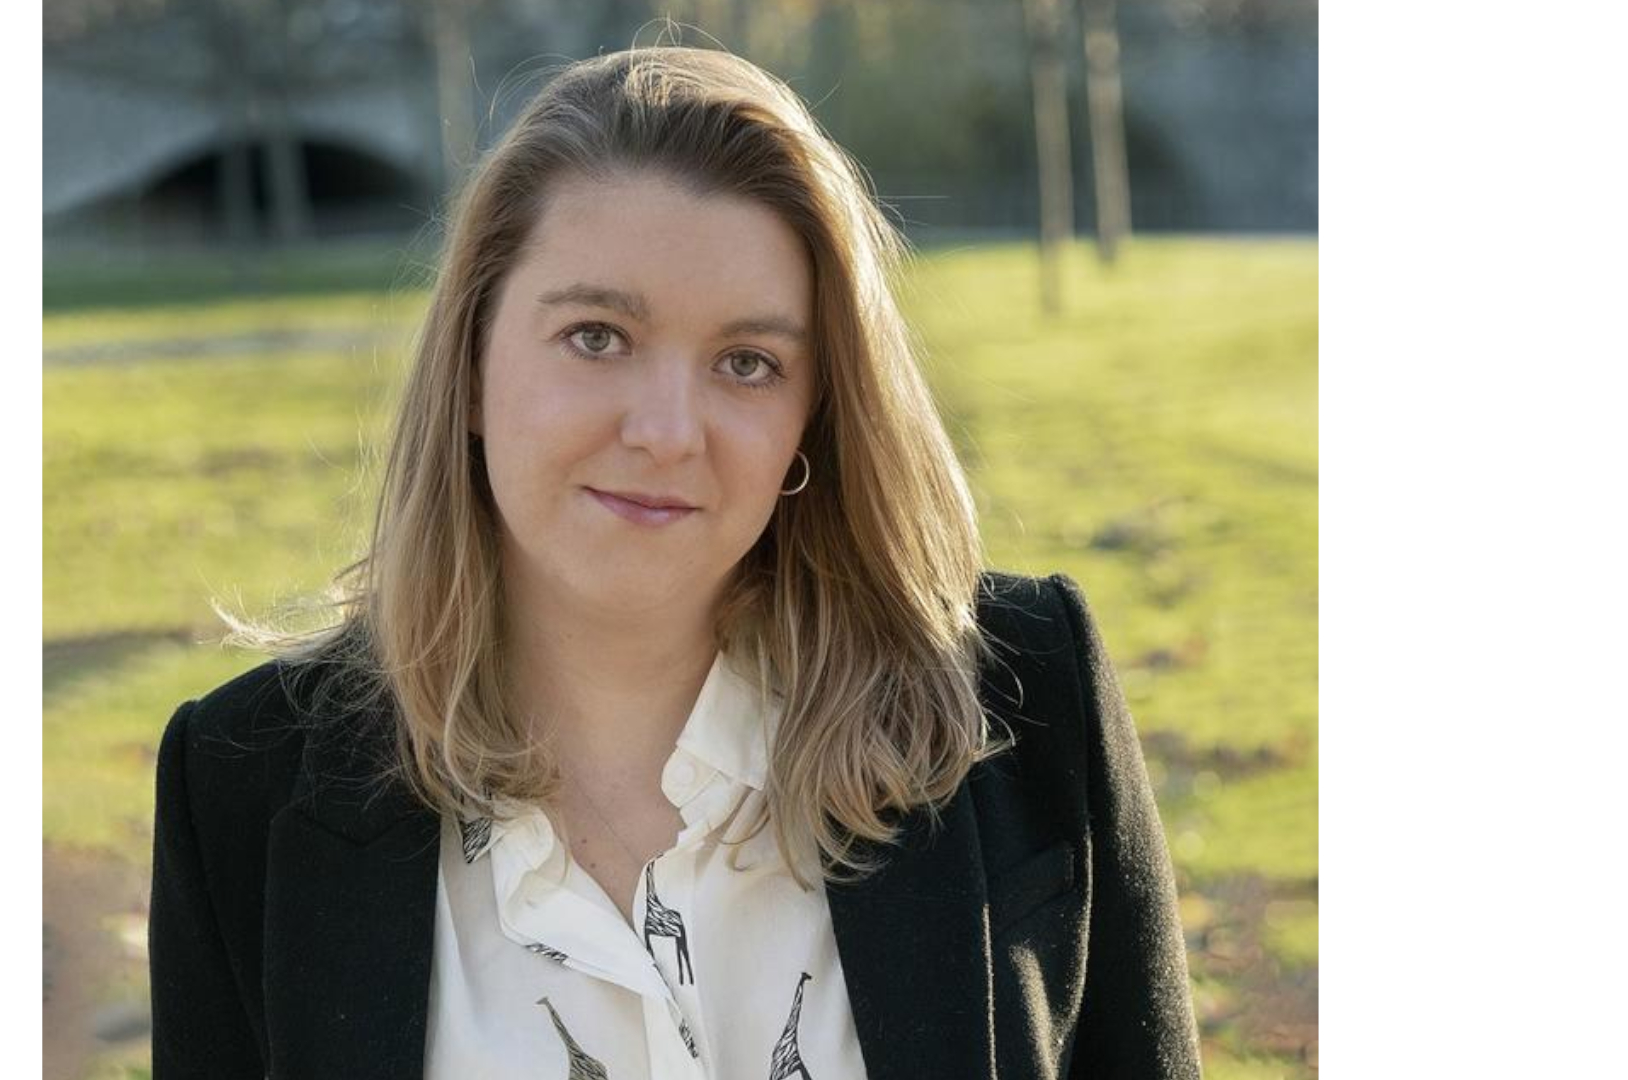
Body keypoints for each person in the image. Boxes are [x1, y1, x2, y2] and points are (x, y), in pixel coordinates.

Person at [147, 46, 1201, 1080]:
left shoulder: (1023, 708)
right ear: (468, 369)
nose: (667, 430)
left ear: (813, 420)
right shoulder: (244, 785)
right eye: (598, 336)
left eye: (748, 363)